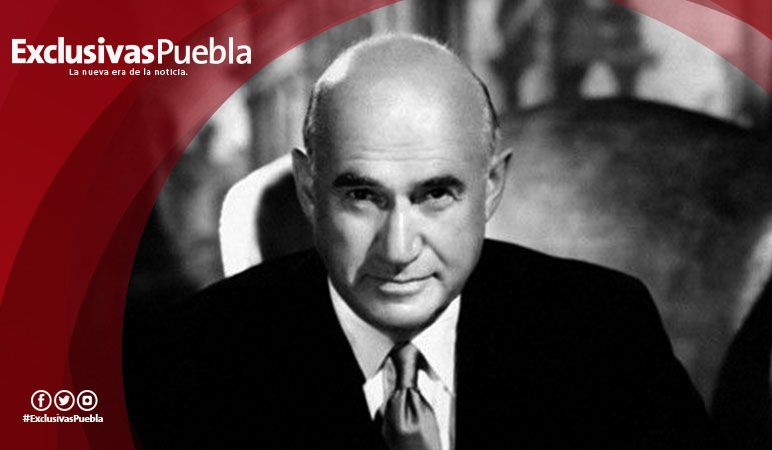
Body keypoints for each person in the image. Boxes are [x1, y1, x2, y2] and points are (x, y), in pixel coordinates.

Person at [124, 34, 711, 449]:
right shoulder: (188, 361)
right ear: (308, 188)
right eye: (362, 196)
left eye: (435, 194)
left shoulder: (605, 330)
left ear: (492, 186)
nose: (399, 249)